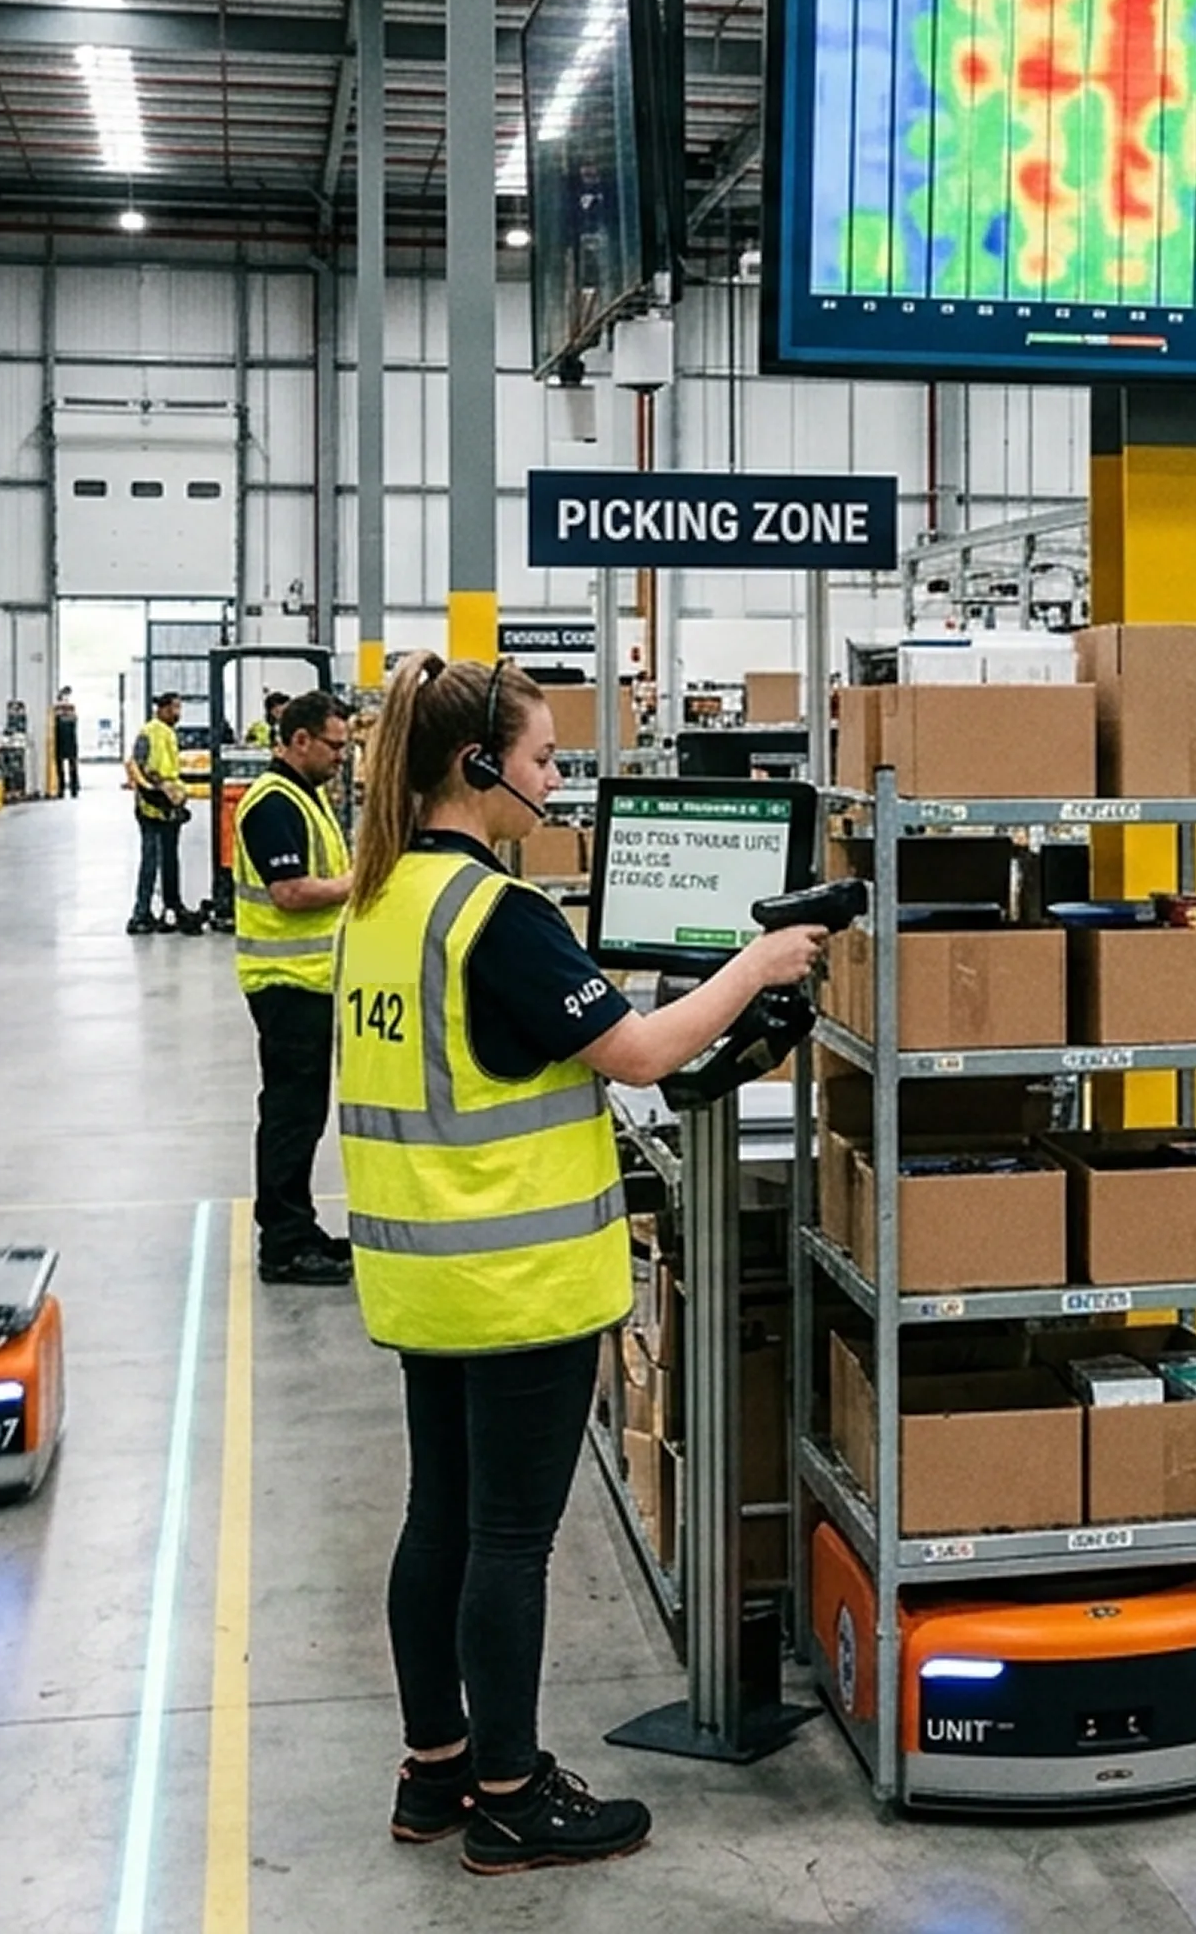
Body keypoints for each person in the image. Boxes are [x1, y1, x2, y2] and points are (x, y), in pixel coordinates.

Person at [341, 653, 829, 1875]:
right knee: (511, 1541)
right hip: (520, 1284)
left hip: (423, 1277)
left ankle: (436, 1770)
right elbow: (639, 1051)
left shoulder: (383, 901)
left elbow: (512, 1058)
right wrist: (756, 969)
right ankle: (511, 1797)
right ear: (478, 767)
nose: (557, 779)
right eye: (546, 759)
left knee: (439, 1521)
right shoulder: (494, 914)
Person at [234, 689, 357, 1285]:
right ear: (300, 739)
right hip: (285, 984)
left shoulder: (308, 797)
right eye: (335, 745)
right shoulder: (272, 803)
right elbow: (289, 892)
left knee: (305, 1114)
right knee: (290, 1114)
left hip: (312, 983)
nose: (342, 756)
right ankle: (282, 1244)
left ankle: (299, 1226)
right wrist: (360, 882)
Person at [126, 691, 203, 936]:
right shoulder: (149, 732)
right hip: (151, 806)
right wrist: (151, 791)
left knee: (170, 860)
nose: (178, 713)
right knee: (151, 860)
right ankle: (141, 914)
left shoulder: (169, 734)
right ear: (161, 709)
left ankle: (173, 905)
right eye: (174, 708)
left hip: (169, 804)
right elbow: (134, 764)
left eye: (179, 708)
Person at [52, 687, 80, 797]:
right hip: (63, 741)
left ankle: (69, 789)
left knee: (69, 767)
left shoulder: (65, 710)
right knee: (63, 768)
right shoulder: (58, 710)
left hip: (67, 741)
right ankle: (63, 789)